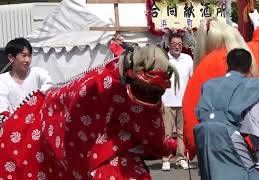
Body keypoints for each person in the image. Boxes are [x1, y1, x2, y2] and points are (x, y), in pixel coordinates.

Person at [0, 44, 179, 179]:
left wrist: (168, 146)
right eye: (23, 55)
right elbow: (66, 101)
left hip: (113, 160)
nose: (147, 95)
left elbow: (153, 132)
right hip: (100, 159)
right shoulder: (101, 82)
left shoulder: (148, 95)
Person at [183, 10, 259, 180]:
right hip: (248, 145)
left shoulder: (202, 69)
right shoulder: (246, 56)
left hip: (215, 149)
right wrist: (257, 25)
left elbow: (191, 113)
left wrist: (193, 146)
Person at [195, 48, 259, 180]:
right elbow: (256, 121)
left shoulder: (209, 84)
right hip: (227, 132)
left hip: (202, 133)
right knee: (252, 173)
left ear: (228, 65)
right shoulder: (249, 85)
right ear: (250, 66)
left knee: (214, 173)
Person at [0, 37, 52, 125]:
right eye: (23, 56)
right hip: (13, 128)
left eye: (29, 55)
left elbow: (50, 87)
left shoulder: (38, 73)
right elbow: (2, 108)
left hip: (37, 127)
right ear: (11, 57)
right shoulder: (2, 80)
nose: (27, 60)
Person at [161, 33, 193, 171]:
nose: (177, 46)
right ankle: (166, 158)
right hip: (166, 101)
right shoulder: (163, 59)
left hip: (183, 101)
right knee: (167, 133)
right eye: (174, 44)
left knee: (181, 133)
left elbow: (192, 80)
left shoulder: (188, 59)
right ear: (169, 44)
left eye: (180, 44)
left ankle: (180, 158)